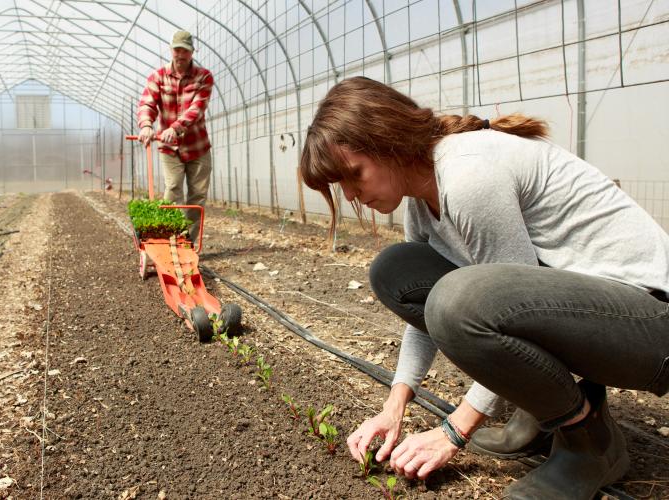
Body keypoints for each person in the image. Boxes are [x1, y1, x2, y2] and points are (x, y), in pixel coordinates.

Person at [299, 76, 669, 499]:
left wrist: (452, 431)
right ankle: (541, 411)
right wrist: (394, 405)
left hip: (651, 326)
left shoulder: (468, 175)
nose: (349, 195)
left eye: (353, 175)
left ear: (388, 141)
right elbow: (429, 316)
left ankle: (589, 443)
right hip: (594, 317)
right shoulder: (423, 200)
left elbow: (496, 306)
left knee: (462, 300)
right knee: (396, 271)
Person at [138, 30, 214, 245]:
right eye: (177, 50)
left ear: (192, 52)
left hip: (198, 147)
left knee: (197, 196)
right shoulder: (157, 77)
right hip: (169, 148)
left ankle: (187, 244)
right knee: (172, 190)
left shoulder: (204, 76)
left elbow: (197, 108)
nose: (180, 55)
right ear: (171, 50)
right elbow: (147, 103)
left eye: (185, 51)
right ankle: (166, 240)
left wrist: (177, 127)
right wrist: (145, 125)